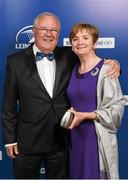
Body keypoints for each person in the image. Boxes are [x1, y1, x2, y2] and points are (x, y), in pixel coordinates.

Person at [2, 12, 120, 179]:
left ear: (59, 33)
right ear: (34, 31)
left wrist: (114, 65)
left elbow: (92, 61)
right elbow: (8, 104)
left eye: (54, 30)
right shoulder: (15, 61)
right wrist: (9, 139)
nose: (49, 34)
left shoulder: (69, 55)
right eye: (44, 29)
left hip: (62, 141)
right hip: (27, 141)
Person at [66, 23, 126, 179]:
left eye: (85, 38)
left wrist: (88, 115)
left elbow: (116, 109)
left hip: (95, 138)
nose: (80, 42)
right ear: (71, 44)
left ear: (95, 42)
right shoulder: (73, 70)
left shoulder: (106, 69)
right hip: (74, 137)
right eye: (75, 39)